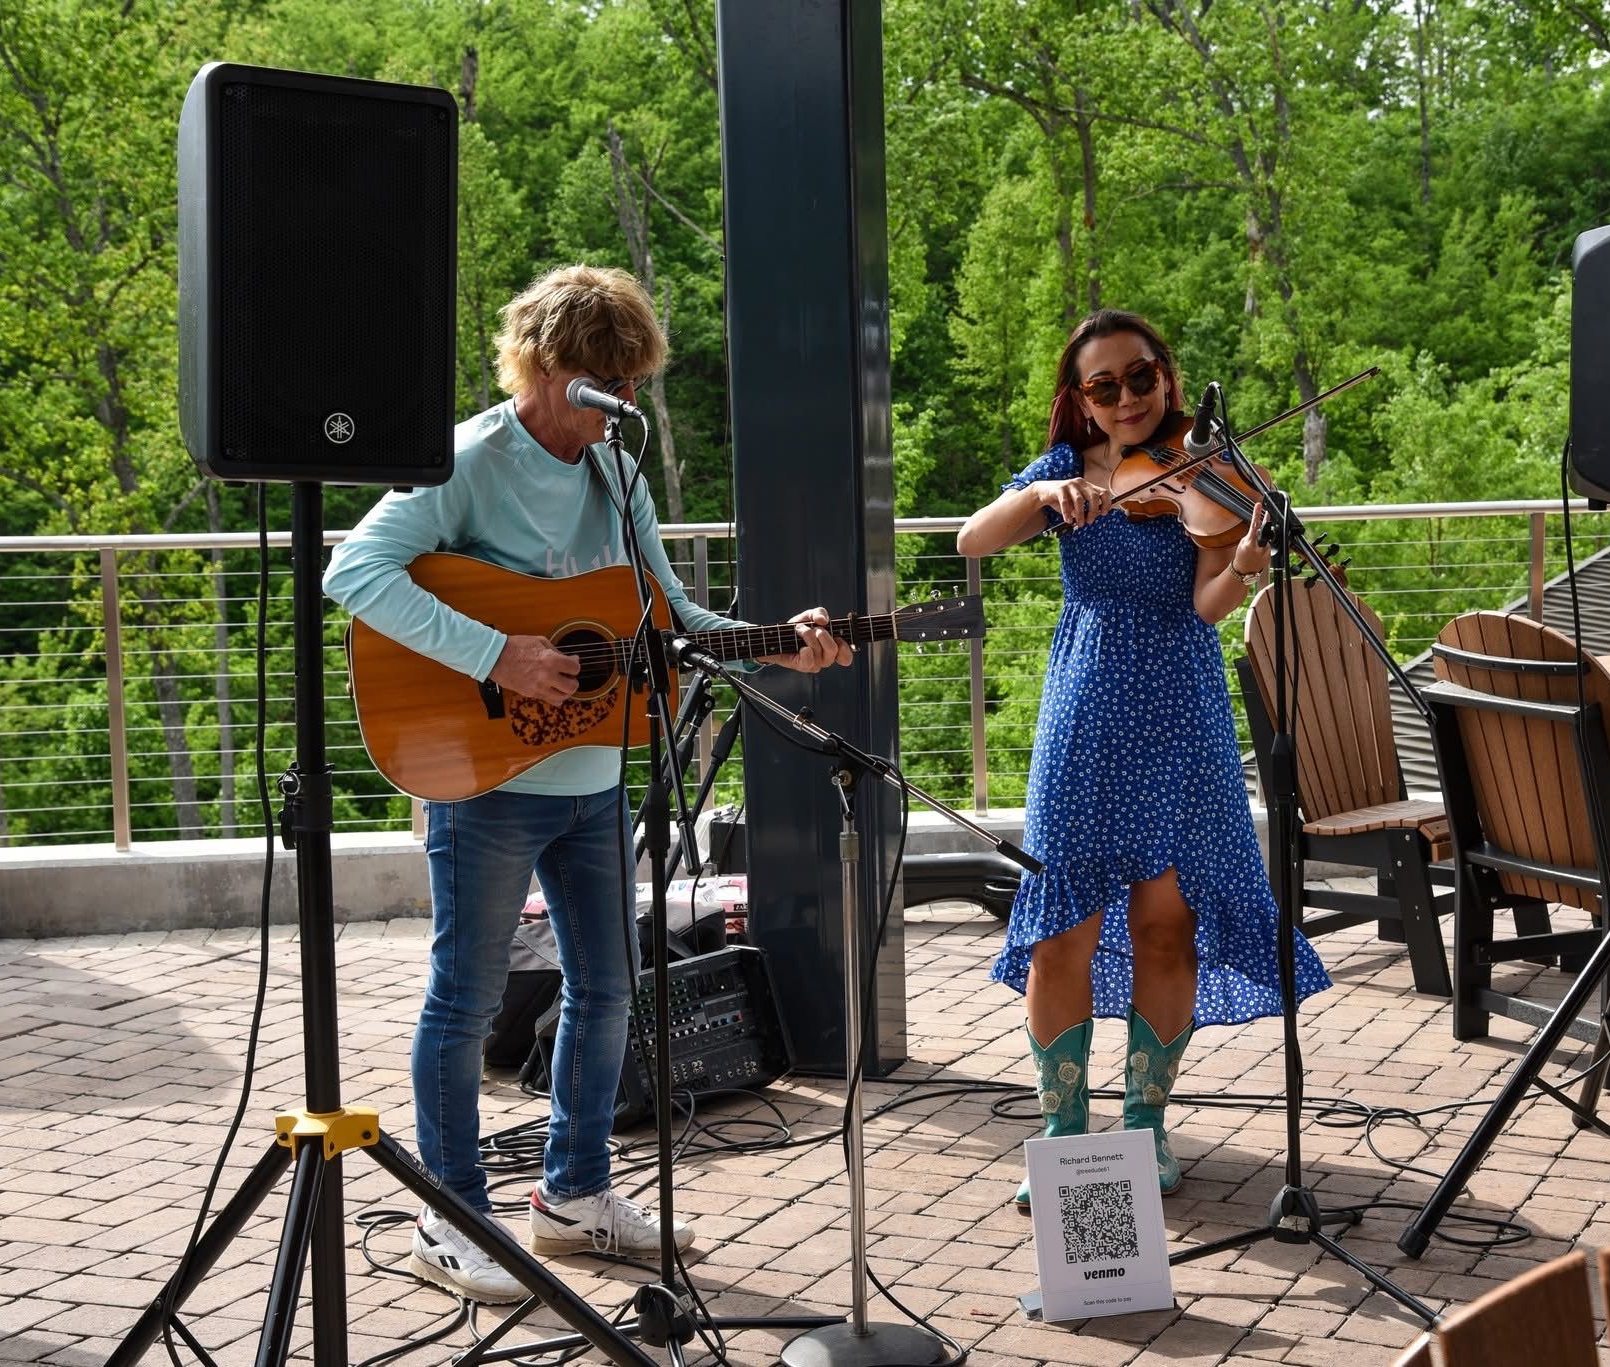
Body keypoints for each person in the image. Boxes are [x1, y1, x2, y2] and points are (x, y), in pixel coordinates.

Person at [324, 264, 851, 1303]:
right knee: (465, 996)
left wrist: (776, 647)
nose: (608, 404)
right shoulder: (467, 459)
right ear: (537, 362)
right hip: (481, 776)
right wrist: (495, 654)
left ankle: (573, 1197)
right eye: (590, 380)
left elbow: (672, 624)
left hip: (595, 773)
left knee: (609, 989)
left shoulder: (619, 473)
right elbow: (354, 571)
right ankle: (452, 1212)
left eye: (624, 385)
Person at [955, 309, 1332, 1208]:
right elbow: (973, 537)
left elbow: (1206, 605)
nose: (1126, 398)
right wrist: (1045, 498)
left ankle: (1145, 1126)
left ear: (1167, 376)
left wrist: (1244, 560)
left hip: (1179, 708)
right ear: (1079, 400)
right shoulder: (1064, 474)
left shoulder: (1207, 473)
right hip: (1085, 709)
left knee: (1168, 924)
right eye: (1103, 386)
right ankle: (1062, 1129)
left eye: (1140, 377)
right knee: (1060, 933)